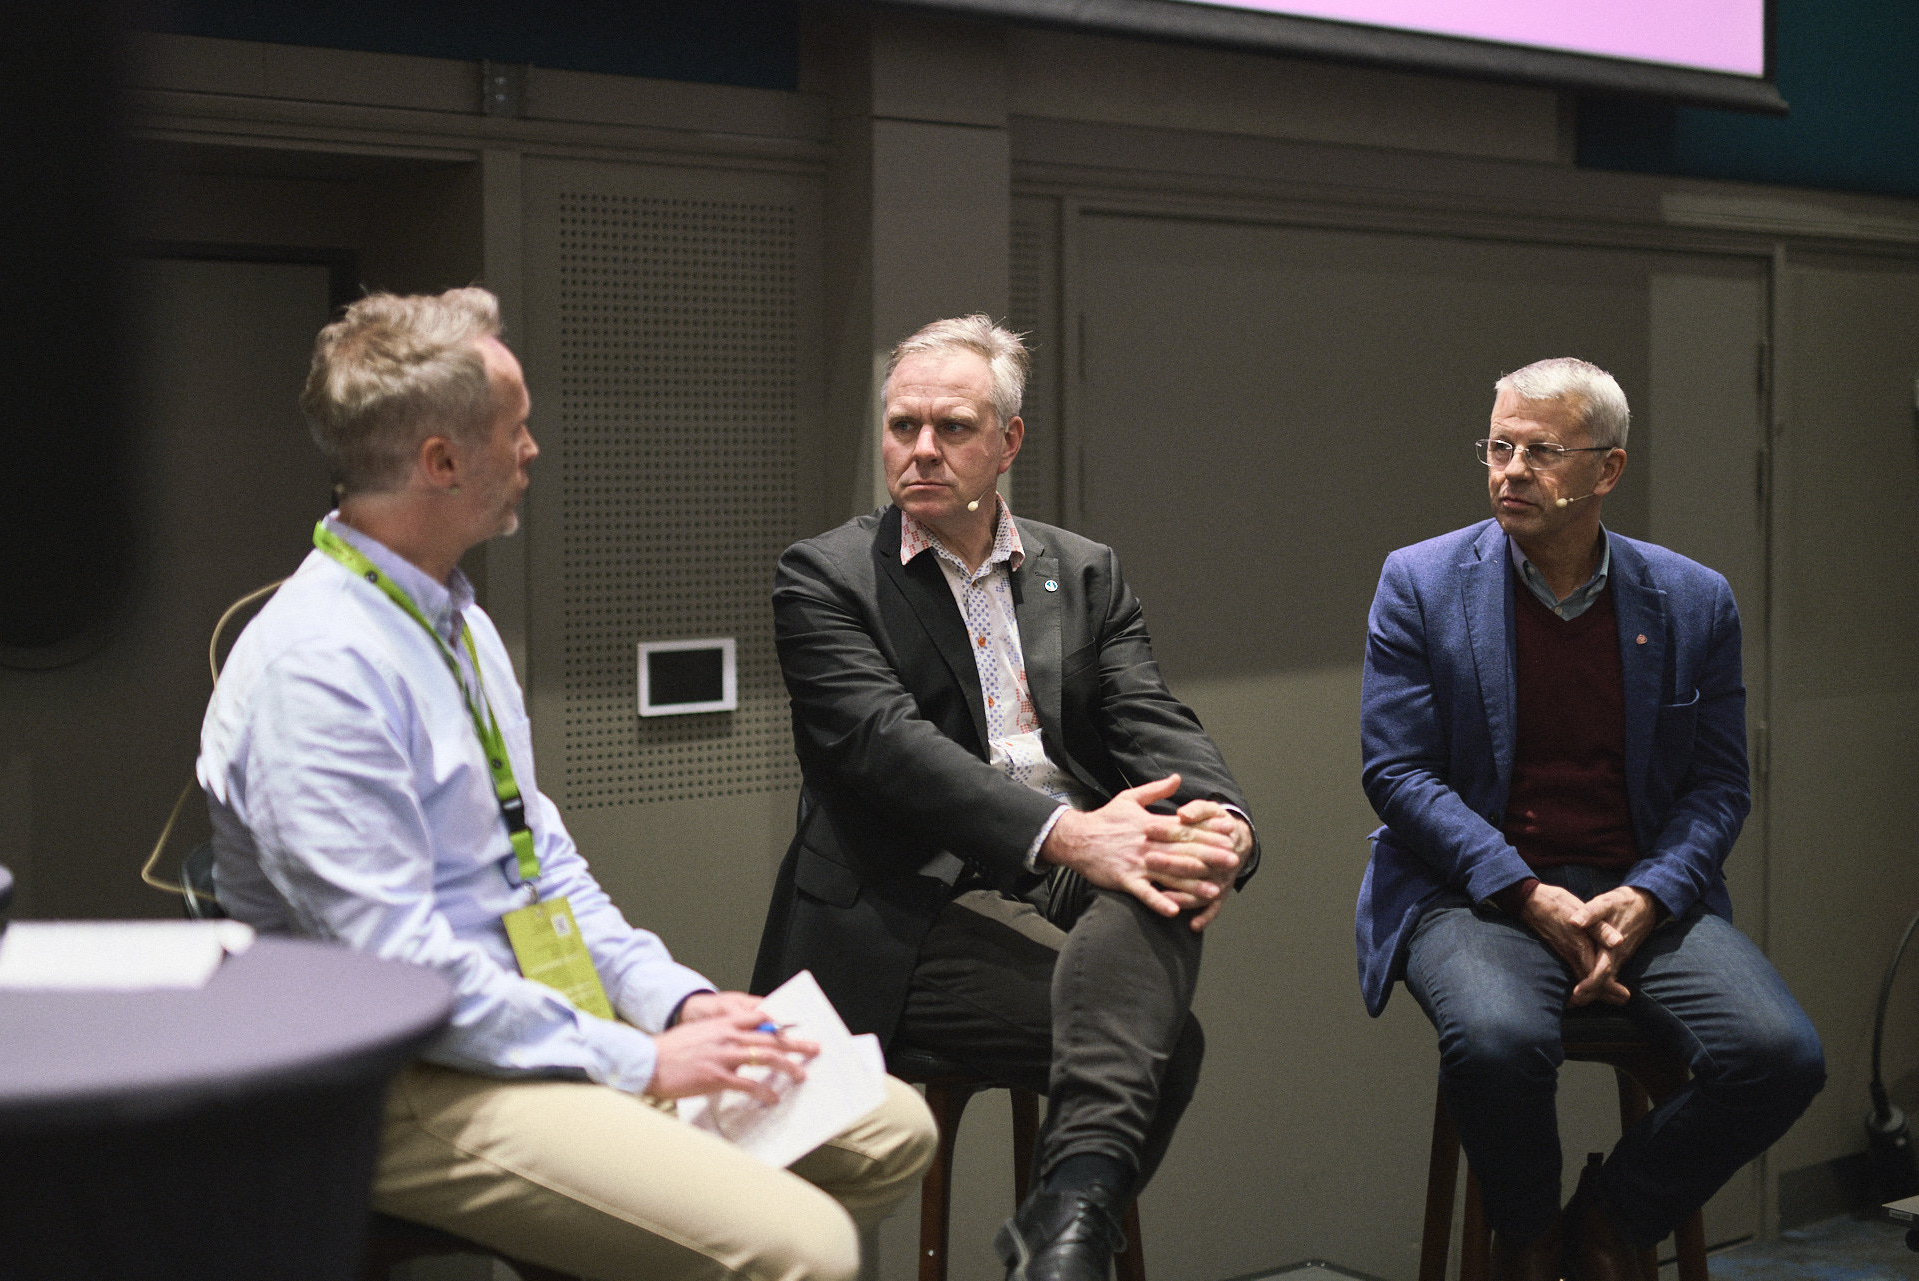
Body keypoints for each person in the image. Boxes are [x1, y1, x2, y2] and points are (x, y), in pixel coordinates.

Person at [198, 288, 935, 1281]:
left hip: (519, 1016)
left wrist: (671, 1003)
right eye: (515, 428)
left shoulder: (454, 619)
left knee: (890, 1125)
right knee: (806, 1250)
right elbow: (398, 974)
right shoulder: (316, 667)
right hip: (398, 1076)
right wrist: (635, 1059)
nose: (534, 450)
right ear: (441, 462)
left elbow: (538, 859)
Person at [752, 316, 1257, 1281]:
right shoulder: (824, 575)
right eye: (903, 426)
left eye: (953, 427)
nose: (922, 450)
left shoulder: (1082, 567)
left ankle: (1057, 1231)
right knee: (1167, 1049)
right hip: (900, 905)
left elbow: (1150, 713)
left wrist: (1219, 818)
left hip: (1053, 874)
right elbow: (885, 749)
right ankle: (1061, 1240)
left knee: (1174, 870)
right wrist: (1071, 834)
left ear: (1009, 441)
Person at [1357, 358, 1825, 1280]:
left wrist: (1648, 897)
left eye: (1540, 451)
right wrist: (1525, 892)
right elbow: (1398, 772)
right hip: (1474, 892)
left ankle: (1606, 1223)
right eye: (1497, 446)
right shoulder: (1420, 581)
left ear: (1607, 470)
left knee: (1780, 1055)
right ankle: (1527, 1235)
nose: (1509, 471)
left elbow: (1719, 786)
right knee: (1496, 1044)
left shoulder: (1692, 599)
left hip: (1637, 884)